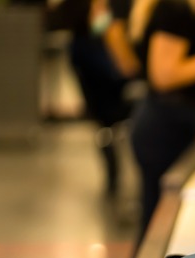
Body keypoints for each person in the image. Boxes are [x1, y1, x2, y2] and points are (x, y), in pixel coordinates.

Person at [128, 0, 195, 237]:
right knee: (157, 229)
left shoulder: (188, 9)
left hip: (169, 120)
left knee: (157, 224)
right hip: (165, 126)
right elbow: (163, 76)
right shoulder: (175, 8)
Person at [46, 0, 140, 198]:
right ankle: (116, 177)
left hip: (90, 60)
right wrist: (133, 70)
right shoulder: (106, 9)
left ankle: (113, 177)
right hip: (99, 67)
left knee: (105, 125)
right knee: (111, 121)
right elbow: (108, 31)